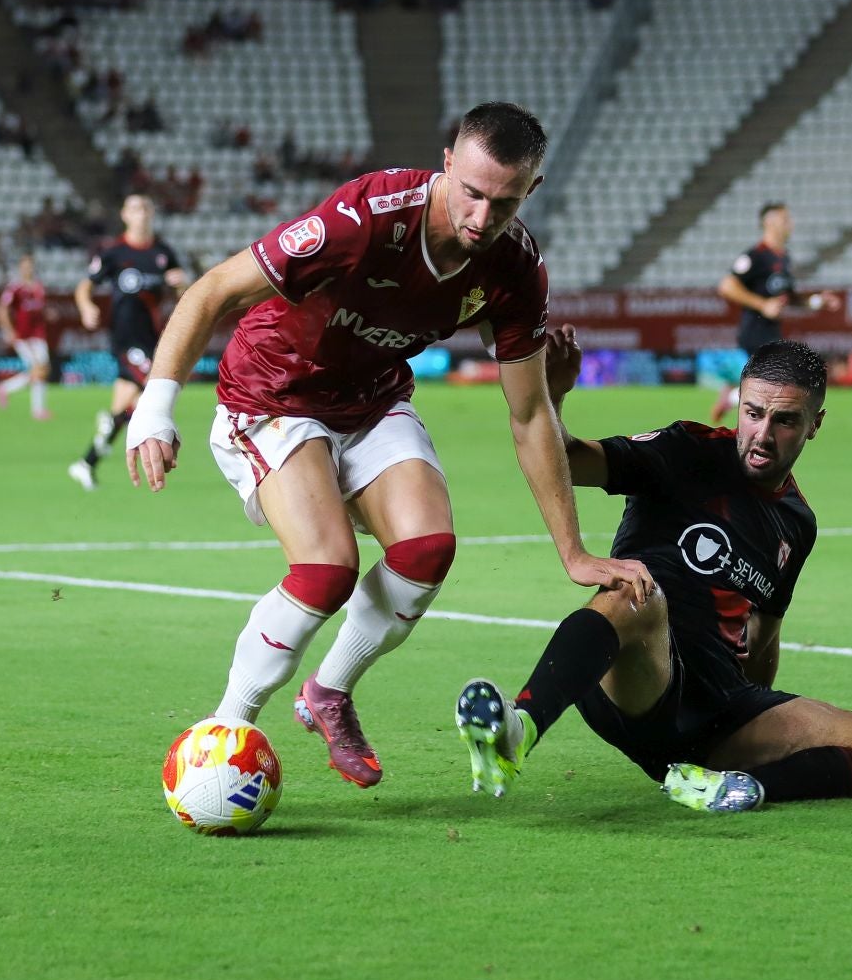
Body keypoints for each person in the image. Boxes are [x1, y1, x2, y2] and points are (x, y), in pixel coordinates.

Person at [123, 102, 653, 788]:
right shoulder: (365, 218)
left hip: (371, 401)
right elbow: (214, 289)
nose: (482, 217)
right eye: (472, 192)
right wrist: (155, 406)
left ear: (532, 192)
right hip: (273, 391)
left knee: (428, 549)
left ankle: (328, 692)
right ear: (447, 165)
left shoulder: (517, 270)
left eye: (505, 202)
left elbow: (529, 417)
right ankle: (225, 733)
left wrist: (574, 552)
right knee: (327, 568)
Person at [456, 337, 852, 812]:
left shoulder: (797, 523)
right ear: (739, 404)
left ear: (814, 425)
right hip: (641, 678)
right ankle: (519, 729)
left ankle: (735, 788)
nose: (762, 434)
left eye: (784, 421)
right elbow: (571, 460)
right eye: (753, 412)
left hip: (713, 710)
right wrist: (553, 399)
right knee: (635, 590)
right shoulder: (687, 451)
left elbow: (764, 634)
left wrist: (759, 711)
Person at [68, 195, 190, 489]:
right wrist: (86, 306)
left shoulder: (163, 253)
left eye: (147, 207)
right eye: (135, 208)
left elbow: (184, 294)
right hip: (126, 339)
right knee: (155, 387)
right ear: (125, 215)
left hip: (152, 339)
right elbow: (85, 287)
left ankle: (87, 462)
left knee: (126, 405)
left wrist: (182, 283)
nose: (142, 213)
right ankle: (112, 427)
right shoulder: (114, 252)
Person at [710, 202, 839, 422]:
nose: (790, 224)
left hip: (771, 331)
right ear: (768, 222)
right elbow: (726, 286)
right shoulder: (756, 256)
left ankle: (734, 395)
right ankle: (735, 400)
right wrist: (762, 304)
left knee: (771, 380)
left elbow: (791, 298)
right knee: (776, 380)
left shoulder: (783, 258)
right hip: (755, 329)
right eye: (784, 219)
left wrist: (818, 301)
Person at [0, 253, 52, 420]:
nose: (28, 268)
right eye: (25, 265)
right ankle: (36, 409)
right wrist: (8, 330)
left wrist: (48, 314)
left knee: (42, 370)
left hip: (38, 334)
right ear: (21, 268)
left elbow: (39, 309)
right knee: (37, 369)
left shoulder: (38, 287)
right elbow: (2, 309)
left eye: (31, 265)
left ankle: (6, 389)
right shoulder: (15, 288)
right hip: (23, 335)